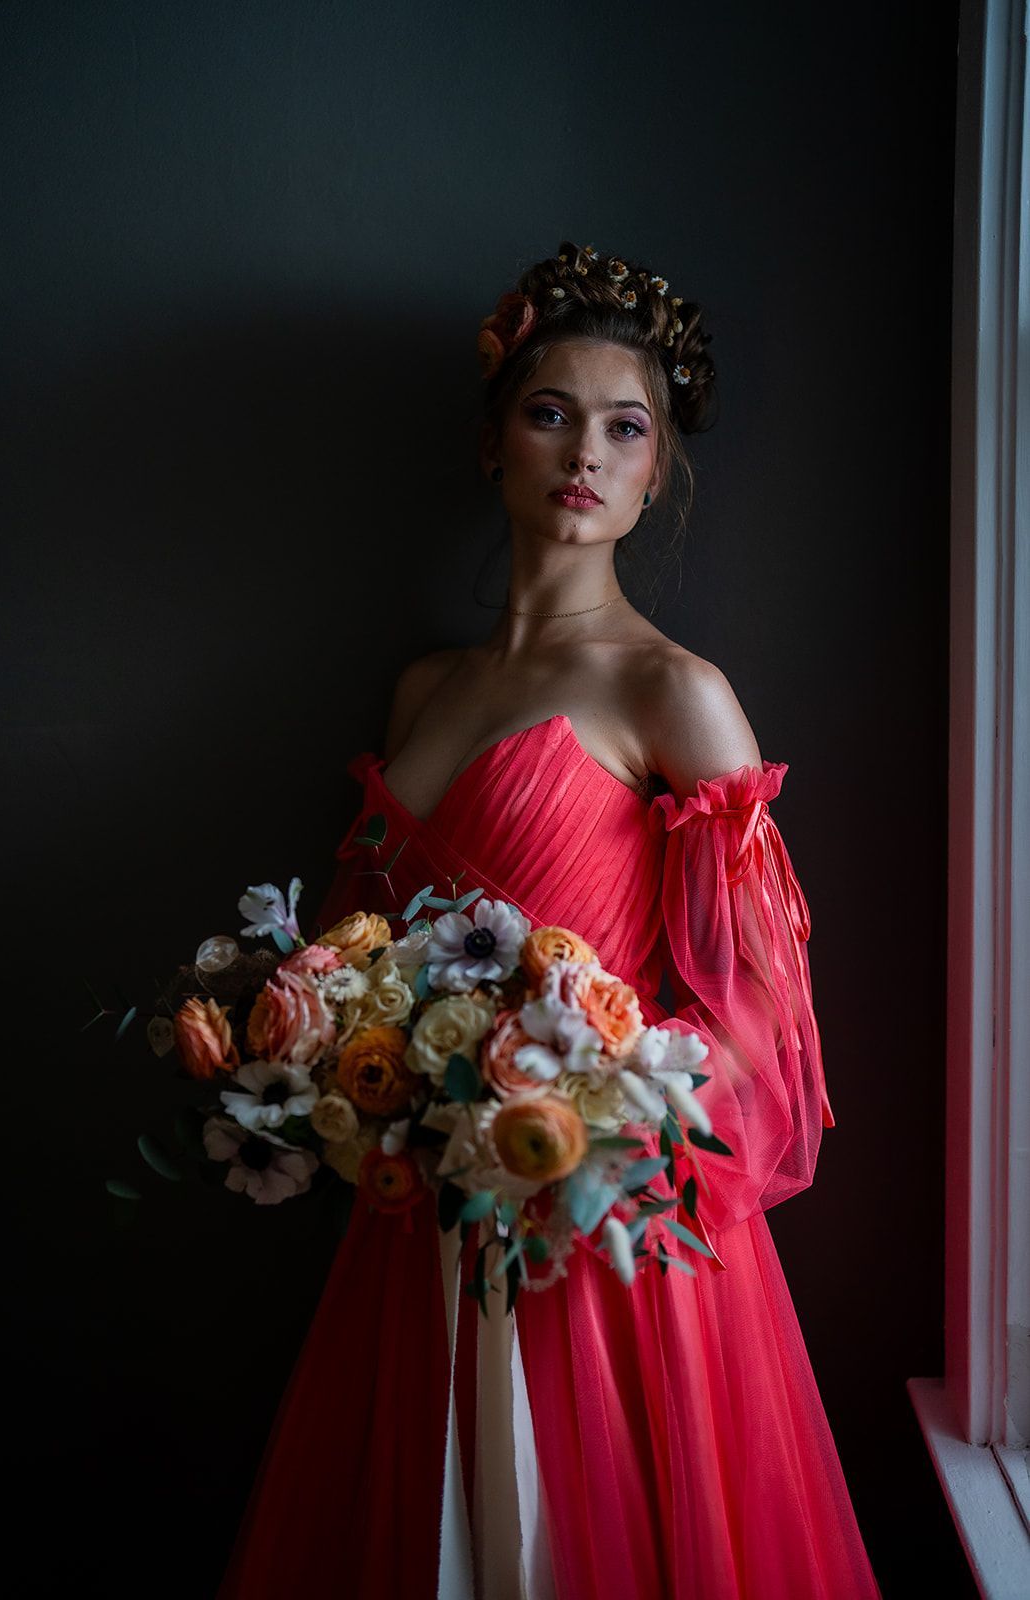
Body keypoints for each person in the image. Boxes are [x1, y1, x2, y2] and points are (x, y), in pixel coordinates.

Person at [215, 240, 883, 1599]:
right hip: (421, 1225)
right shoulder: (422, 694)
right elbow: (348, 955)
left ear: (654, 475)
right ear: (494, 446)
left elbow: (762, 1017)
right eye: (550, 413)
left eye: (623, 428)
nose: (585, 452)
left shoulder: (674, 694)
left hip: (603, 1233)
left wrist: (588, 1123)